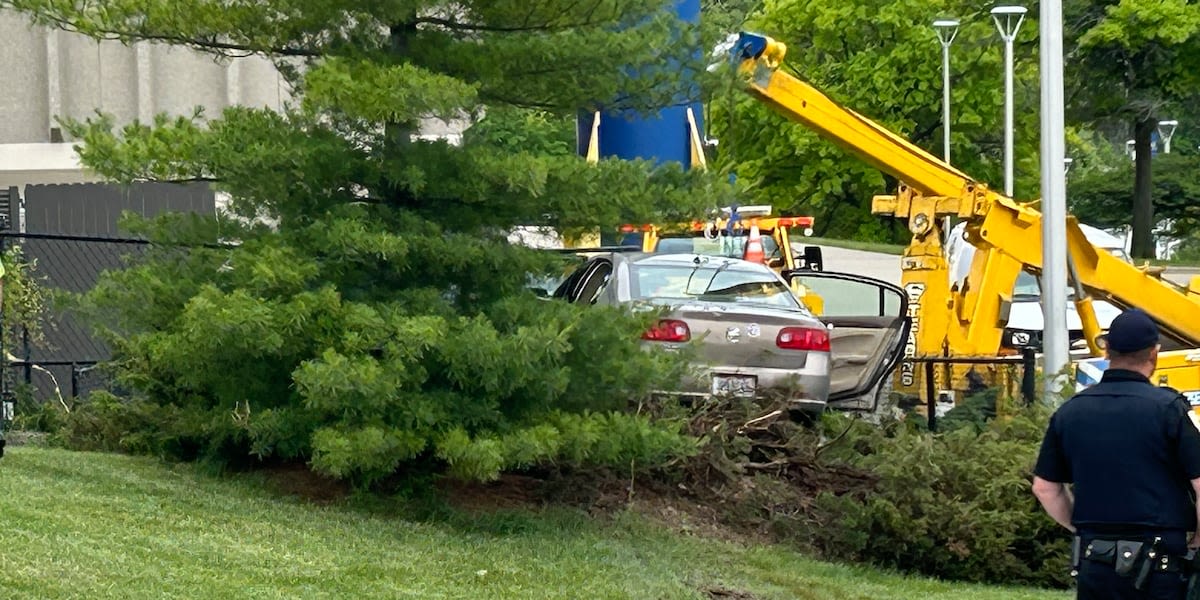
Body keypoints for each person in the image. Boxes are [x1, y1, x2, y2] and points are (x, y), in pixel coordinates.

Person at [1033, 308, 1200, 599]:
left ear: (1107, 349)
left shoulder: (1070, 411)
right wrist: (1198, 539)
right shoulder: (1170, 410)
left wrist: (1083, 527)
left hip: (1095, 560)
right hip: (1161, 563)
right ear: (1154, 353)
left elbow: (1045, 488)